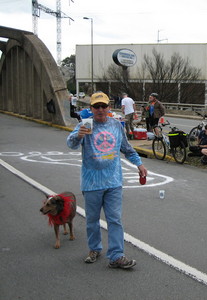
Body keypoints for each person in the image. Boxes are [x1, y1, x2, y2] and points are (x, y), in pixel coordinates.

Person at [67, 91, 147, 269]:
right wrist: (78, 135)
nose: (100, 109)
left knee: (115, 219)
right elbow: (71, 144)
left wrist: (139, 165)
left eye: (104, 106)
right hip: (92, 182)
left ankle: (116, 255)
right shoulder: (85, 125)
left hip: (113, 182)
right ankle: (94, 248)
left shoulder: (116, 125)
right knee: (92, 220)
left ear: (109, 108)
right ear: (91, 108)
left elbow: (127, 148)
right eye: (97, 106)